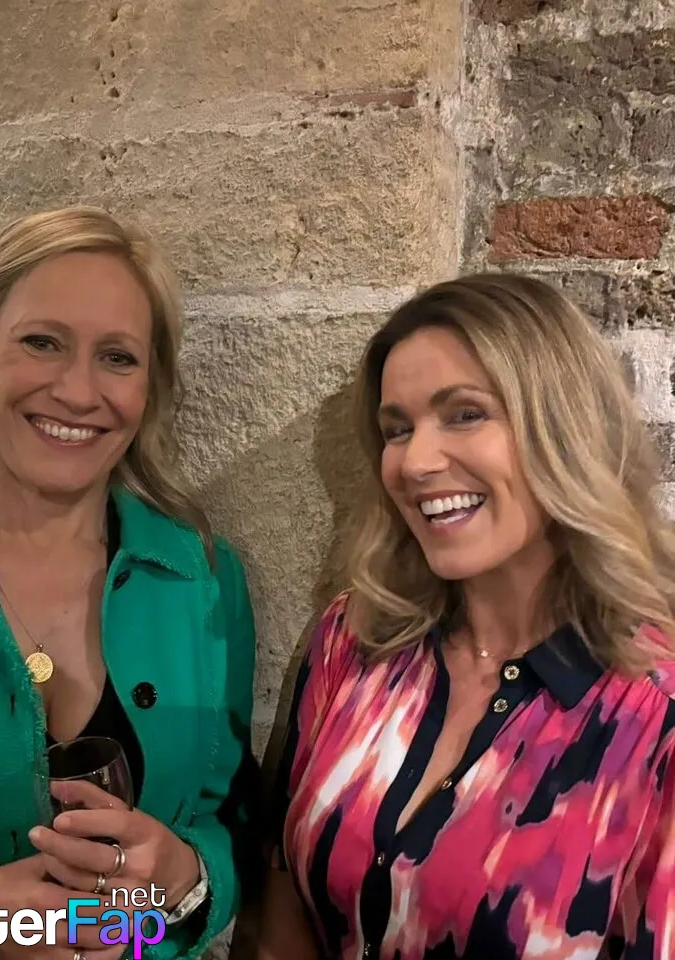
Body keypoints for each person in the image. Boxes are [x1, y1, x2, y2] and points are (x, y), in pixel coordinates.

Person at [0, 206, 258, 960]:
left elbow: (229, 828)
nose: (79, 393)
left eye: (117, 357)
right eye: (42, 342)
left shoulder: (203, 582)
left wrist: (184, 882)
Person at [256, 273, 675, 960]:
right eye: (397, 429)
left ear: (565, 429)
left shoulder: (656, 717)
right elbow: (284, 905)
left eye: (465, 414)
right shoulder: (355, 639)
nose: (415, 463)